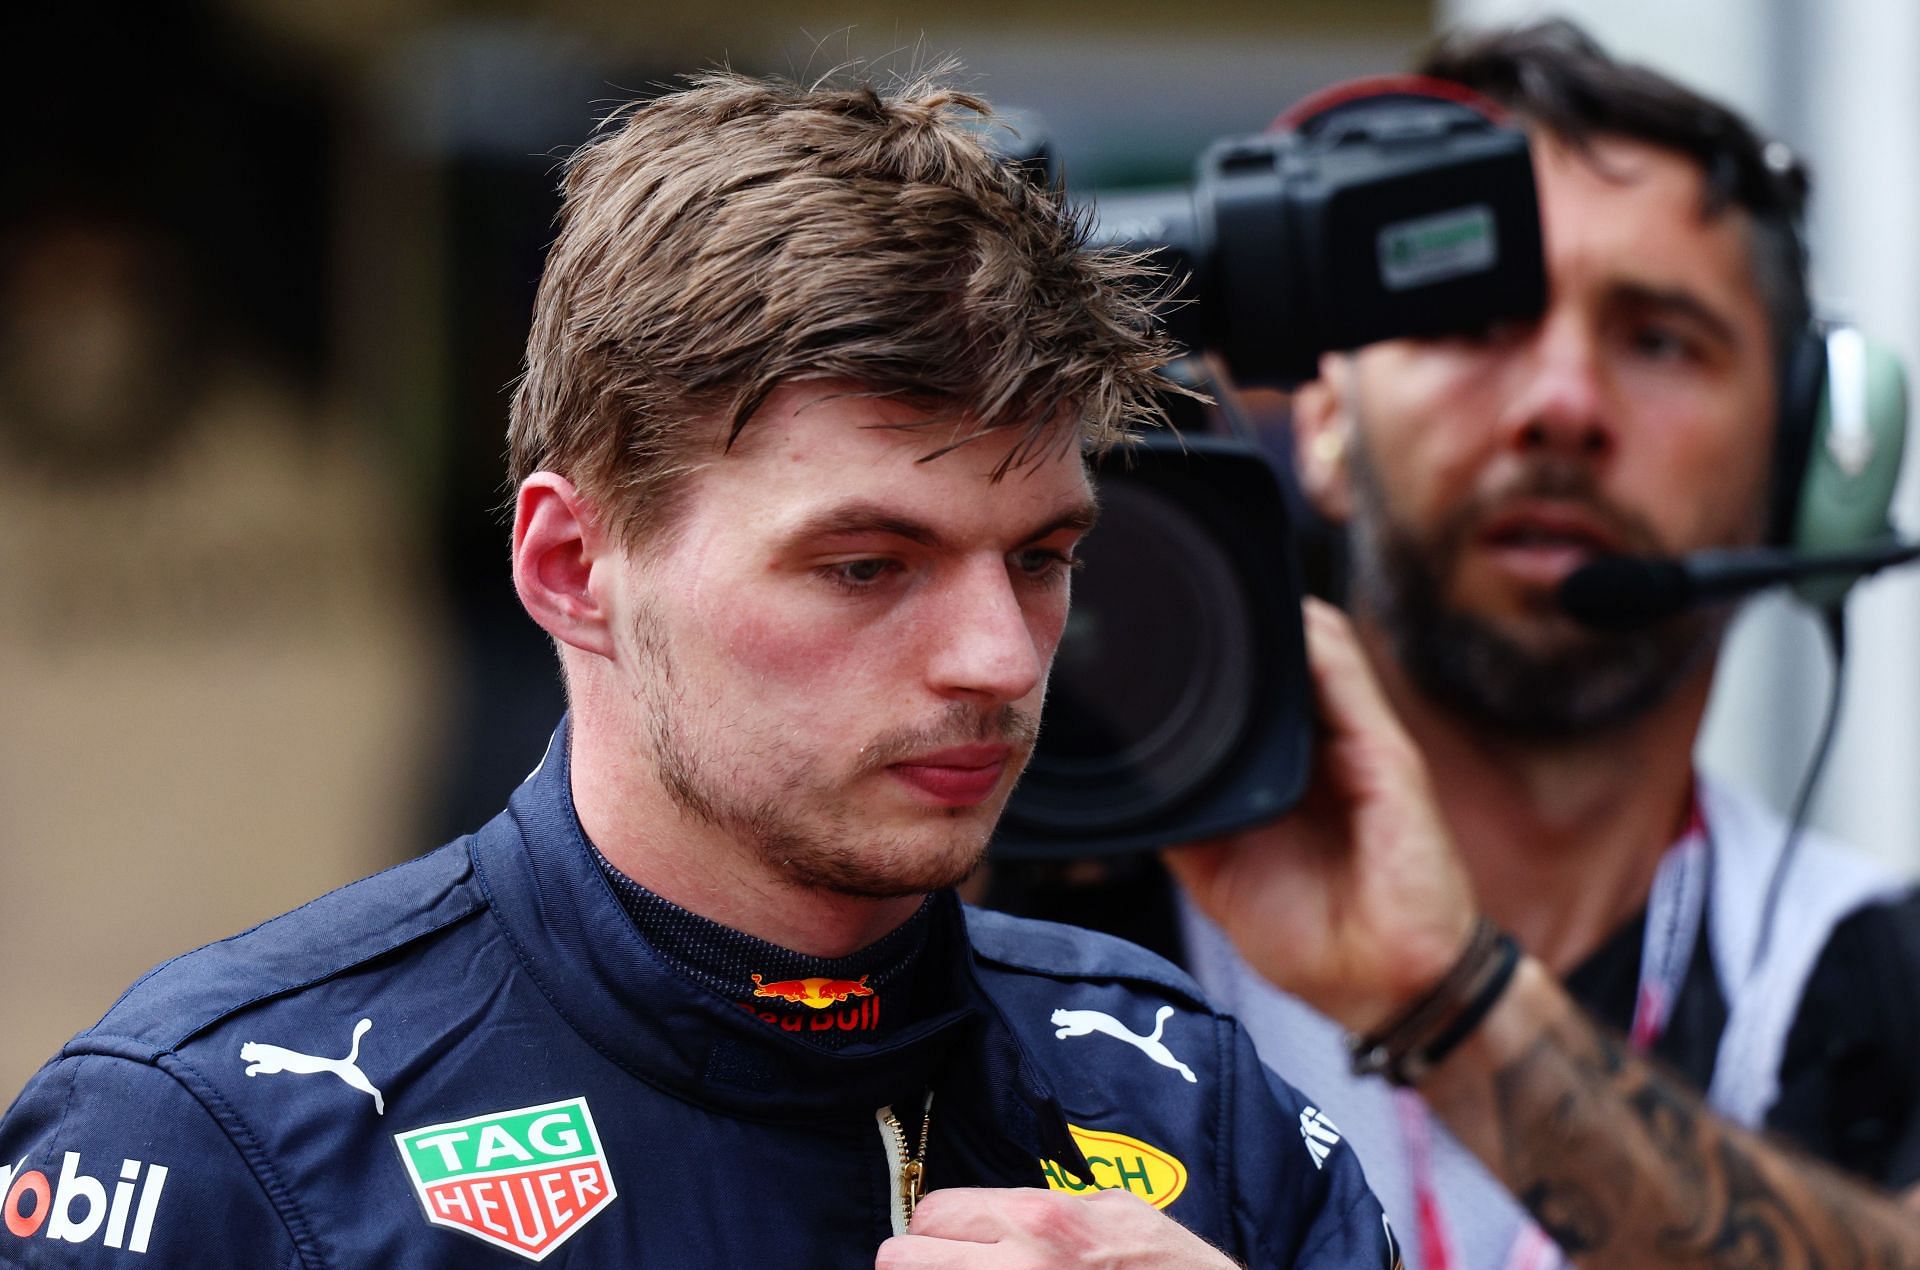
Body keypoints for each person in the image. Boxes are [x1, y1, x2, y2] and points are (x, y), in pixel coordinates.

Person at [0, 69, 1397, 1267]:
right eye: (866, 564)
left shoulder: (1195, 1104)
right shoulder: (212, 1139)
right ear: (568, 566)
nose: (999, 657)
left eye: (1040, 556)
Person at [1168, 20, 1920, 1269]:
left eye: (1659, 339)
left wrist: (1447, 1001)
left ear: (1795, 461)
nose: (1563, 403)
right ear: (1326, 422)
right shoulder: (1055, 883)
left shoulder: (1879, 971)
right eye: (1472, 319)